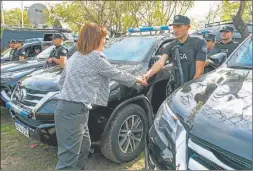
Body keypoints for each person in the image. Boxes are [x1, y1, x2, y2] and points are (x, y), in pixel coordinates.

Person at [54, 23, 148, 170]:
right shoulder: (96, 59)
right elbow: (117, 74)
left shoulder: (75, 56)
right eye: (105, 38)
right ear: (95, 39)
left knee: (84, 146)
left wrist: (78, 91)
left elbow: (61, 82)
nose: (106, 41)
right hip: (72, 111)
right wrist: (138, 79)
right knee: (68, 159)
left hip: (77, 109)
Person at [143, 15, 207, 91]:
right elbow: (160, 62)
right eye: (174, 27)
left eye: (178, 26)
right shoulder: (171, 45)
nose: (175, 30)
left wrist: (191, 89)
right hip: (177, 88)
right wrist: (148, 74)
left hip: (193, 87)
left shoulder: (199, 42)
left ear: (188, 27)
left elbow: (199, 71)